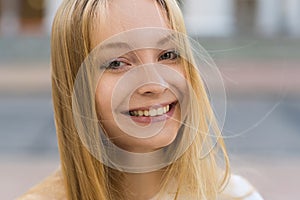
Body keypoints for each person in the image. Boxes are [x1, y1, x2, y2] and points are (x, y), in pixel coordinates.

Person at [19, 0, 264, 199]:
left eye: (168, 54)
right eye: (116, 63)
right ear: (74, 86)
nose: (156, 84)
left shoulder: (237, 196)